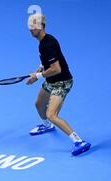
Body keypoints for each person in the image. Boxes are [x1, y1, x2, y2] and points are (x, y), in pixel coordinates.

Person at [26, 13, 91, 156]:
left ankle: (79, 141)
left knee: (51, 114)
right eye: (29, 26)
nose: (30, 29)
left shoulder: (47, 44)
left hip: (62, 82)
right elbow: (49, 61)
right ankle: (47, 126)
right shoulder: (45, 41)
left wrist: (37, 76)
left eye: (33, 26)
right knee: (39, 104)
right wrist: (41, 68)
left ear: (41, 27)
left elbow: (56, 69)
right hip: (51, 80)